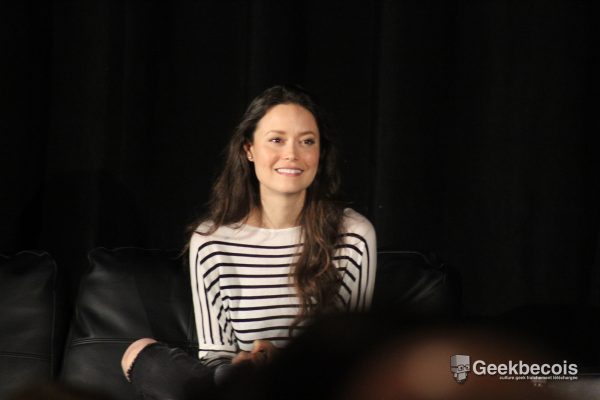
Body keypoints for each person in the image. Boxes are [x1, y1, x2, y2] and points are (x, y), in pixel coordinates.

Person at [120, 85, 377, 399]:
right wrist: (242, 366)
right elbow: (215, 356)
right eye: (277, 140)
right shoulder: (211, 241)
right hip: (243, 391)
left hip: (319, 389)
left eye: (307, 141)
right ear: (249, 149)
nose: (292, 154)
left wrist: (282, 362)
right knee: (139, 353)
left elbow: (357, 356)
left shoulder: (353, 234)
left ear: (320, 153)